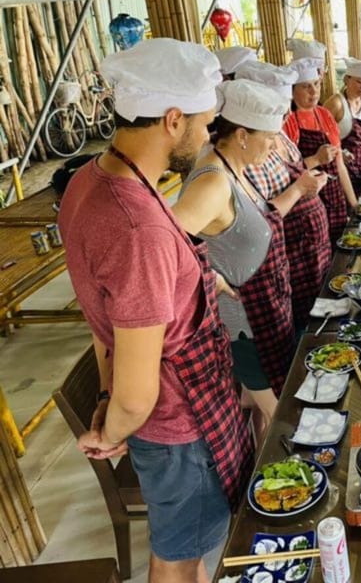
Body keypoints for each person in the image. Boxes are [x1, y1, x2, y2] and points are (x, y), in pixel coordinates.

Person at [58, 38, 252, 582]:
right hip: (177, 424)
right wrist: (113, 428)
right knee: (178, 559)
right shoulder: (139, 227)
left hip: (167, 416)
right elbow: (140, 392)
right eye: (204, 121)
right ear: (172, 119)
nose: (209, 133)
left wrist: (104, 398)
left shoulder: (87, 182)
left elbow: (109, 319)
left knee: (181, 546)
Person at [171, 79, 296, 444]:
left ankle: (257, 463)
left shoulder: (234, 167)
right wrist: (214, 279)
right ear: (242, 135)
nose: (274, 146)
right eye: (269, 137)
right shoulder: (211, 183)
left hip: (265, 311)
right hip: (244, 325)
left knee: (262, 412)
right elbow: (162, 247)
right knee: (282, 419)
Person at [238, 61, 333, 331]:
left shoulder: (279, 134)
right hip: (292, 251)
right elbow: (262, 214)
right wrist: (300, 188)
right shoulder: (253, 152)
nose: (284, 116)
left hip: (312, 249)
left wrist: (309, 180)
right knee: (306, 324)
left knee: (319, 317)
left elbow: (297, 169)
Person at [284, 57, 358, 244]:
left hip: (334, 198)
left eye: (316, 84)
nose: (314, 91)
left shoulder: (324, 114)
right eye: (306, 86)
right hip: (307, 204)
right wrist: (316, 159)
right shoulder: (289, 121)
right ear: (292, 91)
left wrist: (354, 205)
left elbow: (339, 164)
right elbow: (287, 173)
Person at [323, 58, 361, 195]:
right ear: (347, 80)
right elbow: (321, 138)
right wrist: (340, 152)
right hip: (343, 169)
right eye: (359, 81)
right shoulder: (336, 103)